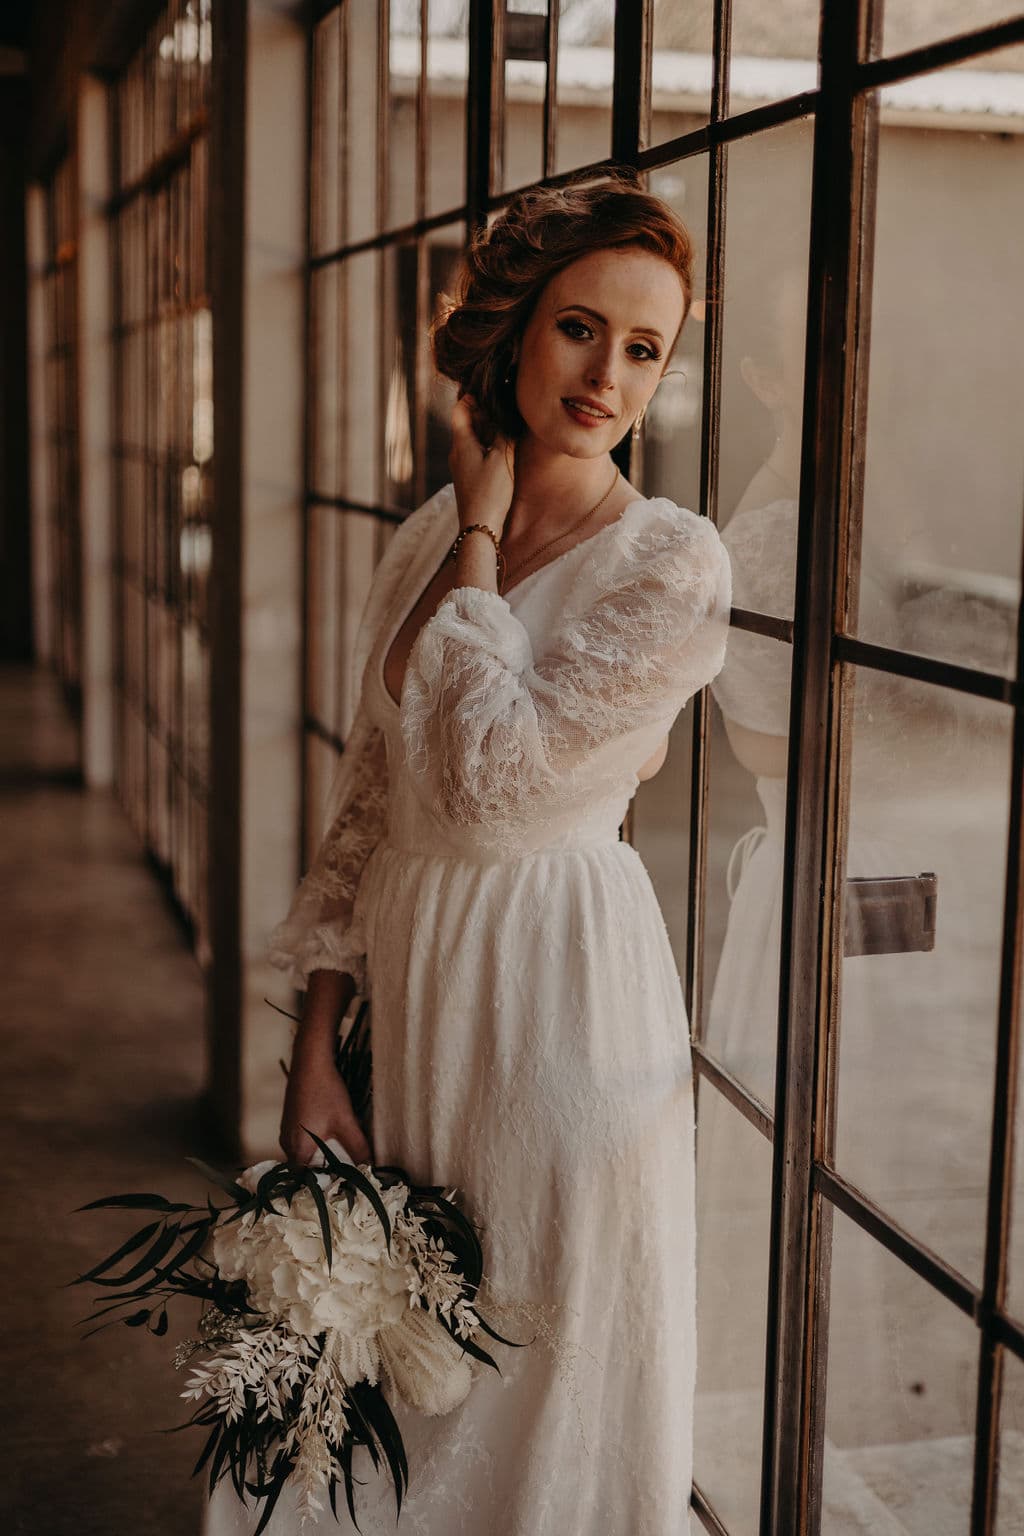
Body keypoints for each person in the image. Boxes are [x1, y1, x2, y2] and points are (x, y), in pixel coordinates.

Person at [204, 169, 732, 1536]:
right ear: (512, 327)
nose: (606, 374)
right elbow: (371, 804)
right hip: (418, 996)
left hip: (561, 1009)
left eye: (644, 347)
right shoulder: (422, 537)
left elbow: (495, 790)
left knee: (537, 1388)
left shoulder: (667, 566)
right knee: (397, 1377)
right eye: (579, 328)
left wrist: (490, 532)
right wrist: (317, 1039)